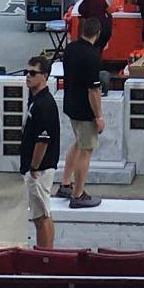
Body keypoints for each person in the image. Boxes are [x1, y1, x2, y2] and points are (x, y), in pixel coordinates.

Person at [58, 15, 105, 210]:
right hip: (85, 110)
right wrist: (99, 116)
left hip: (70, 103)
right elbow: (93, 91)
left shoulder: (70, 48)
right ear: (98, 34)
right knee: (86, 150)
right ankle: (78, 194)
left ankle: (66, 183)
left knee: (78, 143)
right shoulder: (92, 56)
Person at [21, 58, 62, 249]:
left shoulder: (44, 104)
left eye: (32, 73)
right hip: (38, 167)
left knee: (41, 217)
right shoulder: (35, 99)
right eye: (26, 72)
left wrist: (34, 167)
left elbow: (42, 141)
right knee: (41, 215)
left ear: (44, 76)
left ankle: (45, 257)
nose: (28, 77)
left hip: (40, 169)